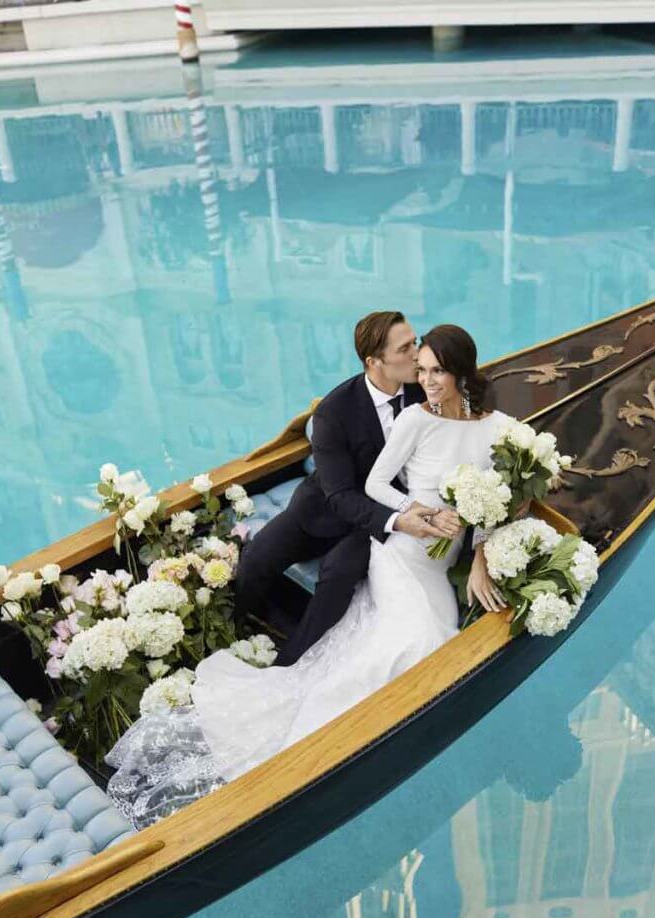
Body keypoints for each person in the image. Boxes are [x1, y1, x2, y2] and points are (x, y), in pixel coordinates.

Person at [107, 325, 511, 829]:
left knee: (355, 585)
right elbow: (356, 490)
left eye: (428, 362)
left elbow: (503, 487)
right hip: (341, 514)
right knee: (260, 565)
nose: (420, 369)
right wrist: (408, 516)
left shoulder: (435, 399)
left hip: (410, 541)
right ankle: (272, 659)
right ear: (374, 362)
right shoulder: (342, 411)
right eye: (409, 355)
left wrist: (479, 550)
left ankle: (305, 669)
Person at [235, 310, 457, 666]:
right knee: (256, 559)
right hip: (323, 508)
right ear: (375, 362)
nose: (417, 353)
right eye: (405, 348)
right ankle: (234, 629)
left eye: (415, 341)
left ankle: (287, 664)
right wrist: (401, 520)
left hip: (378, 523)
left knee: (337, 574)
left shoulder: (426, 389)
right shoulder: (333, 412)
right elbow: (339, 495)